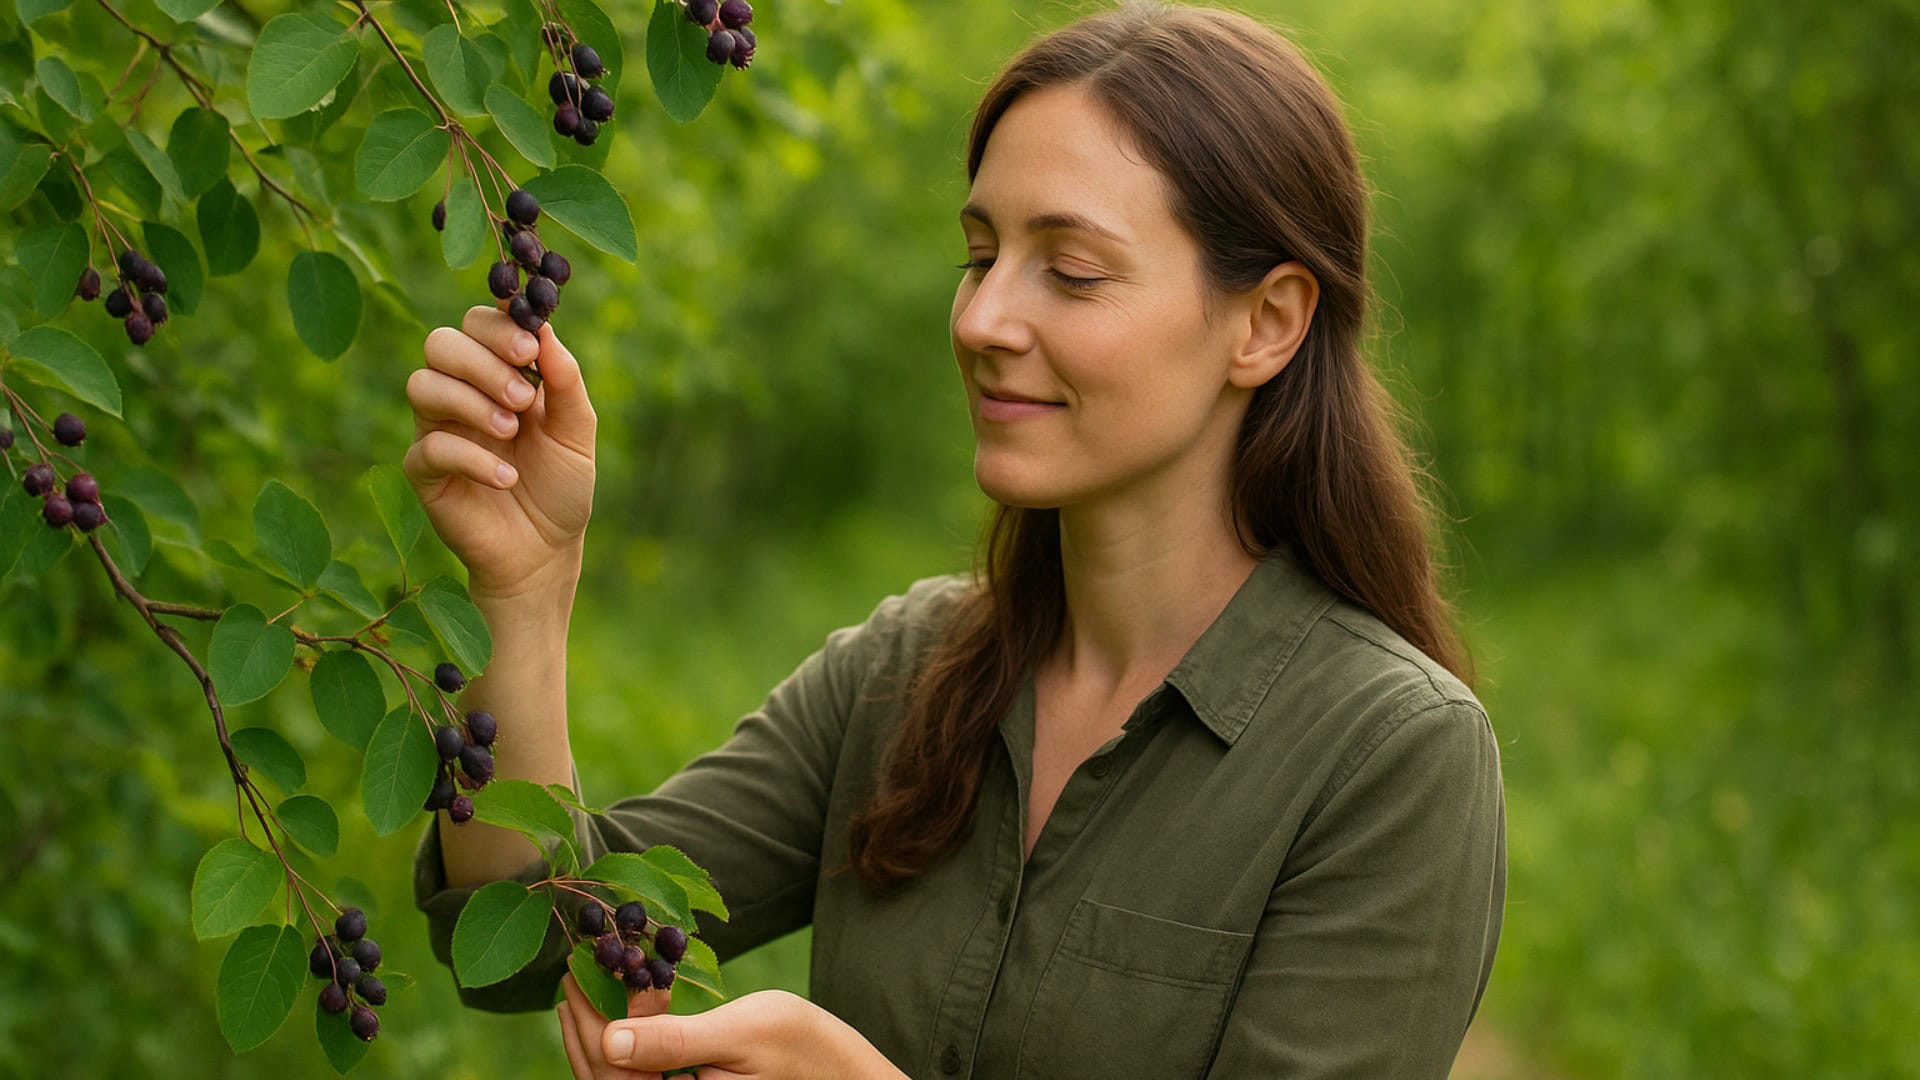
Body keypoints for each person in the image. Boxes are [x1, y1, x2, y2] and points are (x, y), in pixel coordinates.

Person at [403, 2, 1506, 1076]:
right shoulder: (899, 672)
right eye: (981, 256)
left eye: (1071, 270)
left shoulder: (1390, 758)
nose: (981, 321)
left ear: (1265, 323)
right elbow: (533, 936)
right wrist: (524, 589)